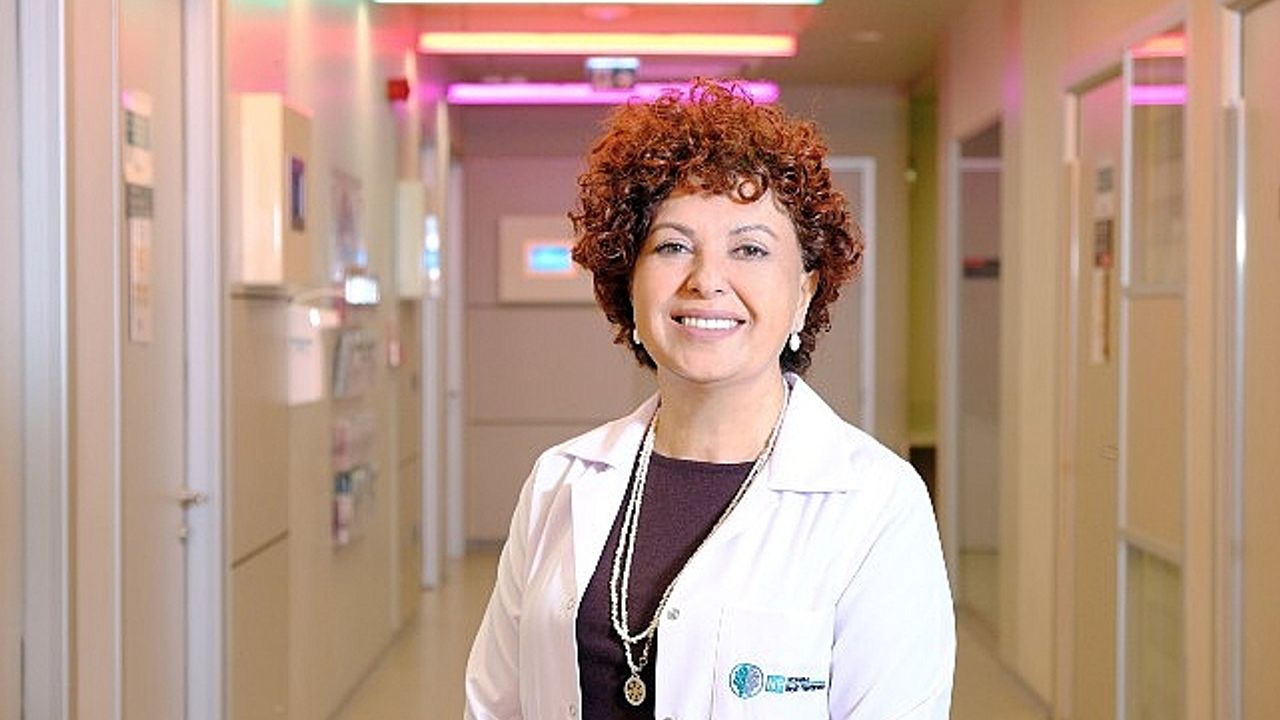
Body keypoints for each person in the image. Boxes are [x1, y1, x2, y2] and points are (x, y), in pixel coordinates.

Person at [465, 79, 954, 720]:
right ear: (629, 283)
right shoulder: (560, 480)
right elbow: (493, 706)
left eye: (750, 249)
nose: (707, 280)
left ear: (804, 292)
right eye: (673, 246)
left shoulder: (877, 504)